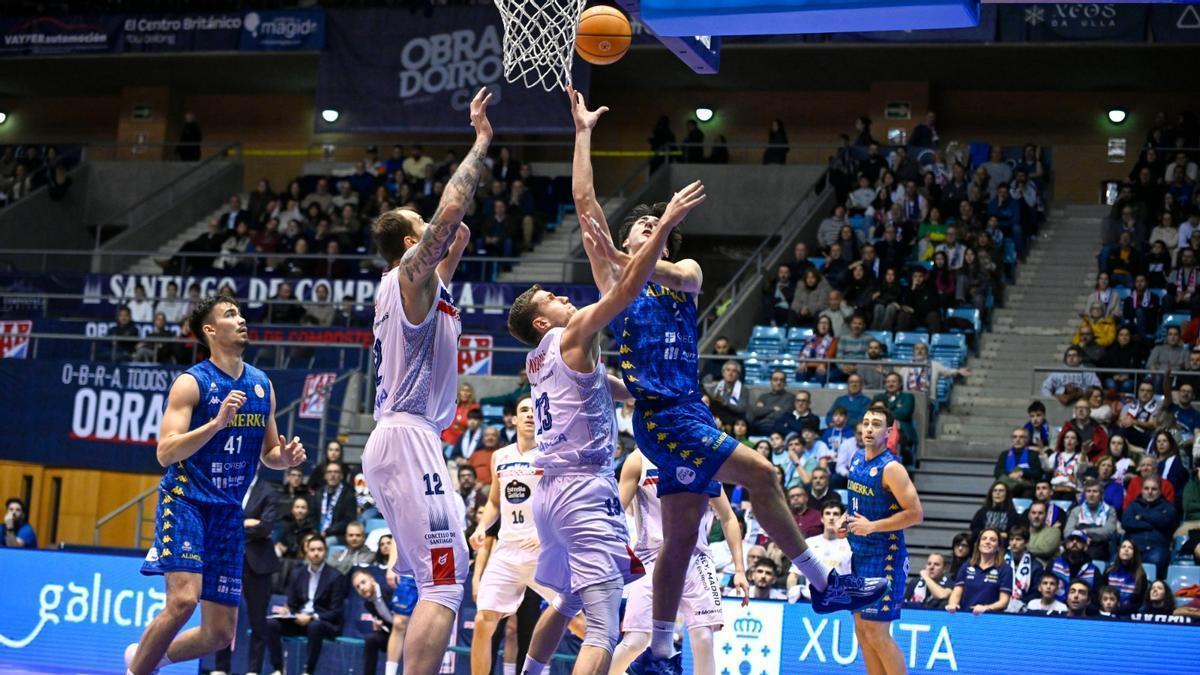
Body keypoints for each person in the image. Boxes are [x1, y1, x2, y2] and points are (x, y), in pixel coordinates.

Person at [567, 89, 887, 673]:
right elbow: (587, 205)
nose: (644, 225)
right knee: (764, 473)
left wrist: (657, 231)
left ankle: (660, 651)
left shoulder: (684, 272)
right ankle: (821, 581)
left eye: (651, 224)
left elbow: (651, 260)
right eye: (639, 223)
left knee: (682, 536)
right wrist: (584, 133)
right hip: (663, 419)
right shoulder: (615, 279)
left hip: (690, 413)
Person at [359, 89, 491, 675]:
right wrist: (481, 140)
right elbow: (452, 213)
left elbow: (452, 242)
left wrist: (452, 243)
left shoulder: (420, 285)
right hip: (409, 436)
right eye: (425, 229)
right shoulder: (407, 279)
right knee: (446, 579)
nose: (433, 230)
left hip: (401, 438)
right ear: (413, 244)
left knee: (433, 575)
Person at [125, 295, 307, 675]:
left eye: (240, 313)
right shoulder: (192, 383)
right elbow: (165, 453)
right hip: (186, 501)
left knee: (220, 633)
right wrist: (215, 424)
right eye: (229, 315)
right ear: (209, 330)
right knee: (183, 602)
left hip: (227, 512)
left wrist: (283, 458)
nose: (241, 319)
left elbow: (269, 452)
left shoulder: (262, 385)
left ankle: (146, 657)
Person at [610, 449, 748, 675]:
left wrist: (740, 569)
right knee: (635, 641)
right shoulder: (638, 459)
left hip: (696, 558)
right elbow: (615, 514)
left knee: (704, 638)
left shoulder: (700, 457)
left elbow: (728, 516)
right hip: (650, 558)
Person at [469, 396, 557, 675]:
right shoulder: (500, 456)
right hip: (506, 551)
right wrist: (482, 527)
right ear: (514, 419)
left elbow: (565, 502)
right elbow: (494, 502)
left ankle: (618, 666)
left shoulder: (553, 454)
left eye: (535, 410)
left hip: (542, 552)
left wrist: (548, 536)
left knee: (579, 621)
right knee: (484, 620)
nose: (530, 414)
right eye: (524, 410)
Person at [843, 403, 924, 675]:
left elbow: (915, 514)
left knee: (877, 632)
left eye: (876, 424)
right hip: (858, 555)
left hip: (884, 558)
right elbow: (857, 504)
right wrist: (848, 521)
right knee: (862, 630)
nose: (869, 428)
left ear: (888, 432)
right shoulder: (856, 458)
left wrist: (873, 526)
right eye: (866, 422)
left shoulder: (892, 468)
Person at [212, 474, 280, 675]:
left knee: (258, 620)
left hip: (257, 562)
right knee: (223, 616)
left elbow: (265, 528)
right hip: (227, 559)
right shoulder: (227, 485)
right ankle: (221, 668)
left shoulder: (268, 491)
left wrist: (236, 526)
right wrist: (246, 523)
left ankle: (253, 671)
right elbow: (218, 521)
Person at [263, 537, 346, 675]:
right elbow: (292, 603)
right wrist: (287, 610)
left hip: (322, 622)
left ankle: (308, 671)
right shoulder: (298, 573)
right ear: (306, 552)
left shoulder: (335, 576)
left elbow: (336, 611)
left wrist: (312, 617)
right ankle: (278, 669)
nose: (316, 553)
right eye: (312, 550)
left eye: (319, 549)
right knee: (271, 624)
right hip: (299, 619)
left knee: (315, 626)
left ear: (325, 552)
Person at [788, 501, 853, 602]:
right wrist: (791, 594)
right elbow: (793, 575)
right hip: (811, 601)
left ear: (841, 519)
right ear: (822, 519)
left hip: (839, 601)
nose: (831, 517)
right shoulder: (808, 543)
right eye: (827, 513)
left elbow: (854, 577)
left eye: (835, 514)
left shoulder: (850, 546)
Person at [350, 567, 410, 675]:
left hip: (410, 632)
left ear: (372, 579)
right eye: (358, 587)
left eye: (363, 582)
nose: (362, 588)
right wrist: (381, 625)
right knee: (371, 639)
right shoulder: (368, 604)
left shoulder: (389, 590)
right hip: (393, 635)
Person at [946, 528, 1013, 616]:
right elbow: (957, 591)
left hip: (990, 618)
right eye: (984, 539)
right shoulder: (967, 565)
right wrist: (952, 604)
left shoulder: (1005, 569)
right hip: (965, 616)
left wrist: (986, 608)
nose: (987, 542)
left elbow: (1004, 601)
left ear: (998, 547)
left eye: (992, 540)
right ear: (978, 545)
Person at [1122, 476, 1177, 579]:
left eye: (1154, 489)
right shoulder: (1134, 505)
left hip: (1157, 548)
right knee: (1118, 558)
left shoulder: (1168, 507)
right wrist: (1152, 523)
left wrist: (1141, 516)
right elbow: (1126, 523)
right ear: (1142, 490)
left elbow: (1164, 522)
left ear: (1160, 491)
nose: (1150, 492)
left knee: (1156, 559)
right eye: (1146, 488)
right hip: (1133, 548)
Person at [1063, 478, 1120, 562]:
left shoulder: (1110, 510)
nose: (1091, 494)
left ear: (1101, 495)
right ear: (1084, 494)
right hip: (1078, 544)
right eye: (1088, 491)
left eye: (1095, 491)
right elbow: (1067, 532)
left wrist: (1084, 532)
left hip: (1101, 546)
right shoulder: (1076, 510)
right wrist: (1083, 537)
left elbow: (1108, 532)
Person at [1101, 539, 1148, 614]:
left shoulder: (1140, 575)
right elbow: (1101, 594)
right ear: (1119, 551)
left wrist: (1121, 610)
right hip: (1108, 613)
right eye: (1123, 547)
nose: (1126, 549)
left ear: (1134, 553)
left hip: (1128, 615)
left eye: (1130, 548)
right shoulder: (1108, 571)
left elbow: (1139, 602)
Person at [994, 428, 1044, 498]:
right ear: (1012, 439)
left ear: (1026, 439)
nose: (1018, 439)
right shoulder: (1004, 454)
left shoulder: (1033, 454)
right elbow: (997, 472)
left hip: (1025, 486)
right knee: (998, 490)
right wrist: (1010, 474)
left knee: (1027, 493)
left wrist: (1022, 473)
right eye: (1015, 437)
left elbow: (1038, 472)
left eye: (1021, 437)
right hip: (1008, 484)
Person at [1050, 530, 1098, 600]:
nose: (1074, 542)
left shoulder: (1093, 570)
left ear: (1085, 546)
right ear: (1066, 545)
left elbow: (1095, 597)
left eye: (1079, 540)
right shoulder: (1053, 564)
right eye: (1071, 540)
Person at [1025, 501, 1062, 568]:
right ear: (1029, 515)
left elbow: (1045, 550)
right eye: (1033, 513)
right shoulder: (1023, 531)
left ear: (1046, 515)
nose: (1036, 516)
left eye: (1040, 513)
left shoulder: (1054, 531)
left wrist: (1023, 547)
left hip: (1045, 571)